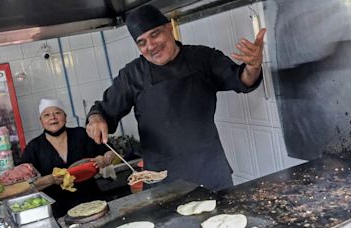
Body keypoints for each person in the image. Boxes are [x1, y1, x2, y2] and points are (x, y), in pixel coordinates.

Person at [86, 5, 266, 191]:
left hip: (209, 170)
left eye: (155, 34)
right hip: (160, 179)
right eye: (142, 42)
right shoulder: (132, 75)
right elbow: (103, 110)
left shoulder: (203, 58)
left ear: (169, 27)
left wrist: (253, 66)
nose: (151, 46)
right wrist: (96, 119)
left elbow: (242, 80)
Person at [20, 98, 114, 218]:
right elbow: (25, 184)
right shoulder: (34, 147)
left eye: (57, 113)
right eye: (46, 115)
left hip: (93, 201)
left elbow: (111, 152)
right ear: (41, 121)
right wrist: (51, 179)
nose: (52, 117)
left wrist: (105, 159)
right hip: (59, 211)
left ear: (65, 116)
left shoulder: (81, 134)